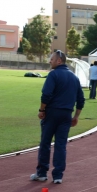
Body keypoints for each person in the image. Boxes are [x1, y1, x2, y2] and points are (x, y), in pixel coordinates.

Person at [30, 50, 85, 184]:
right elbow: (81, 99)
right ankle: (58, 175)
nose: (50, 61)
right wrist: (76, 116)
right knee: (61, 145)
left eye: (52, 59)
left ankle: (42, 173)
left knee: (45, 143)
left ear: (59, 61)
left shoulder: (53, 75)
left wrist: (41, 110)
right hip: (66, 114)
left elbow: (46, 95)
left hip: (52, 113)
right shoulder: (74, 77)